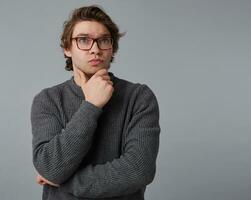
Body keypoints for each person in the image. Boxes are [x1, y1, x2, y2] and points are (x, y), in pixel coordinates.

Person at [30, 5, 160, 200]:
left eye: (104, 41)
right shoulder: (48, 100)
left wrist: (64, 182)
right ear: (67, 49)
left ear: (112, 48)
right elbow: (50, 166)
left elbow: (139, 170)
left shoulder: (139, 97)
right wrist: (91, 105)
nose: (95, 49)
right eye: (83, 40)